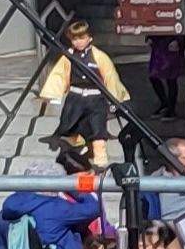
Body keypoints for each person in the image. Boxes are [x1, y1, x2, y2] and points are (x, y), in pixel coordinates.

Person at [34, 18, 131, 154]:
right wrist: (52, 94)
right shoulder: (69, 56)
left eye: (81, 38)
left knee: (98, 130)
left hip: (95, 98)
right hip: (75, 98)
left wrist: (115, 98)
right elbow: (59, 74)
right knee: (69, 125)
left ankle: (100, 158)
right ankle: (78, 145)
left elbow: (110, 76)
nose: (78, 42)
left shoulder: (99, 56)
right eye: (74, 39)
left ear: (89, 38)